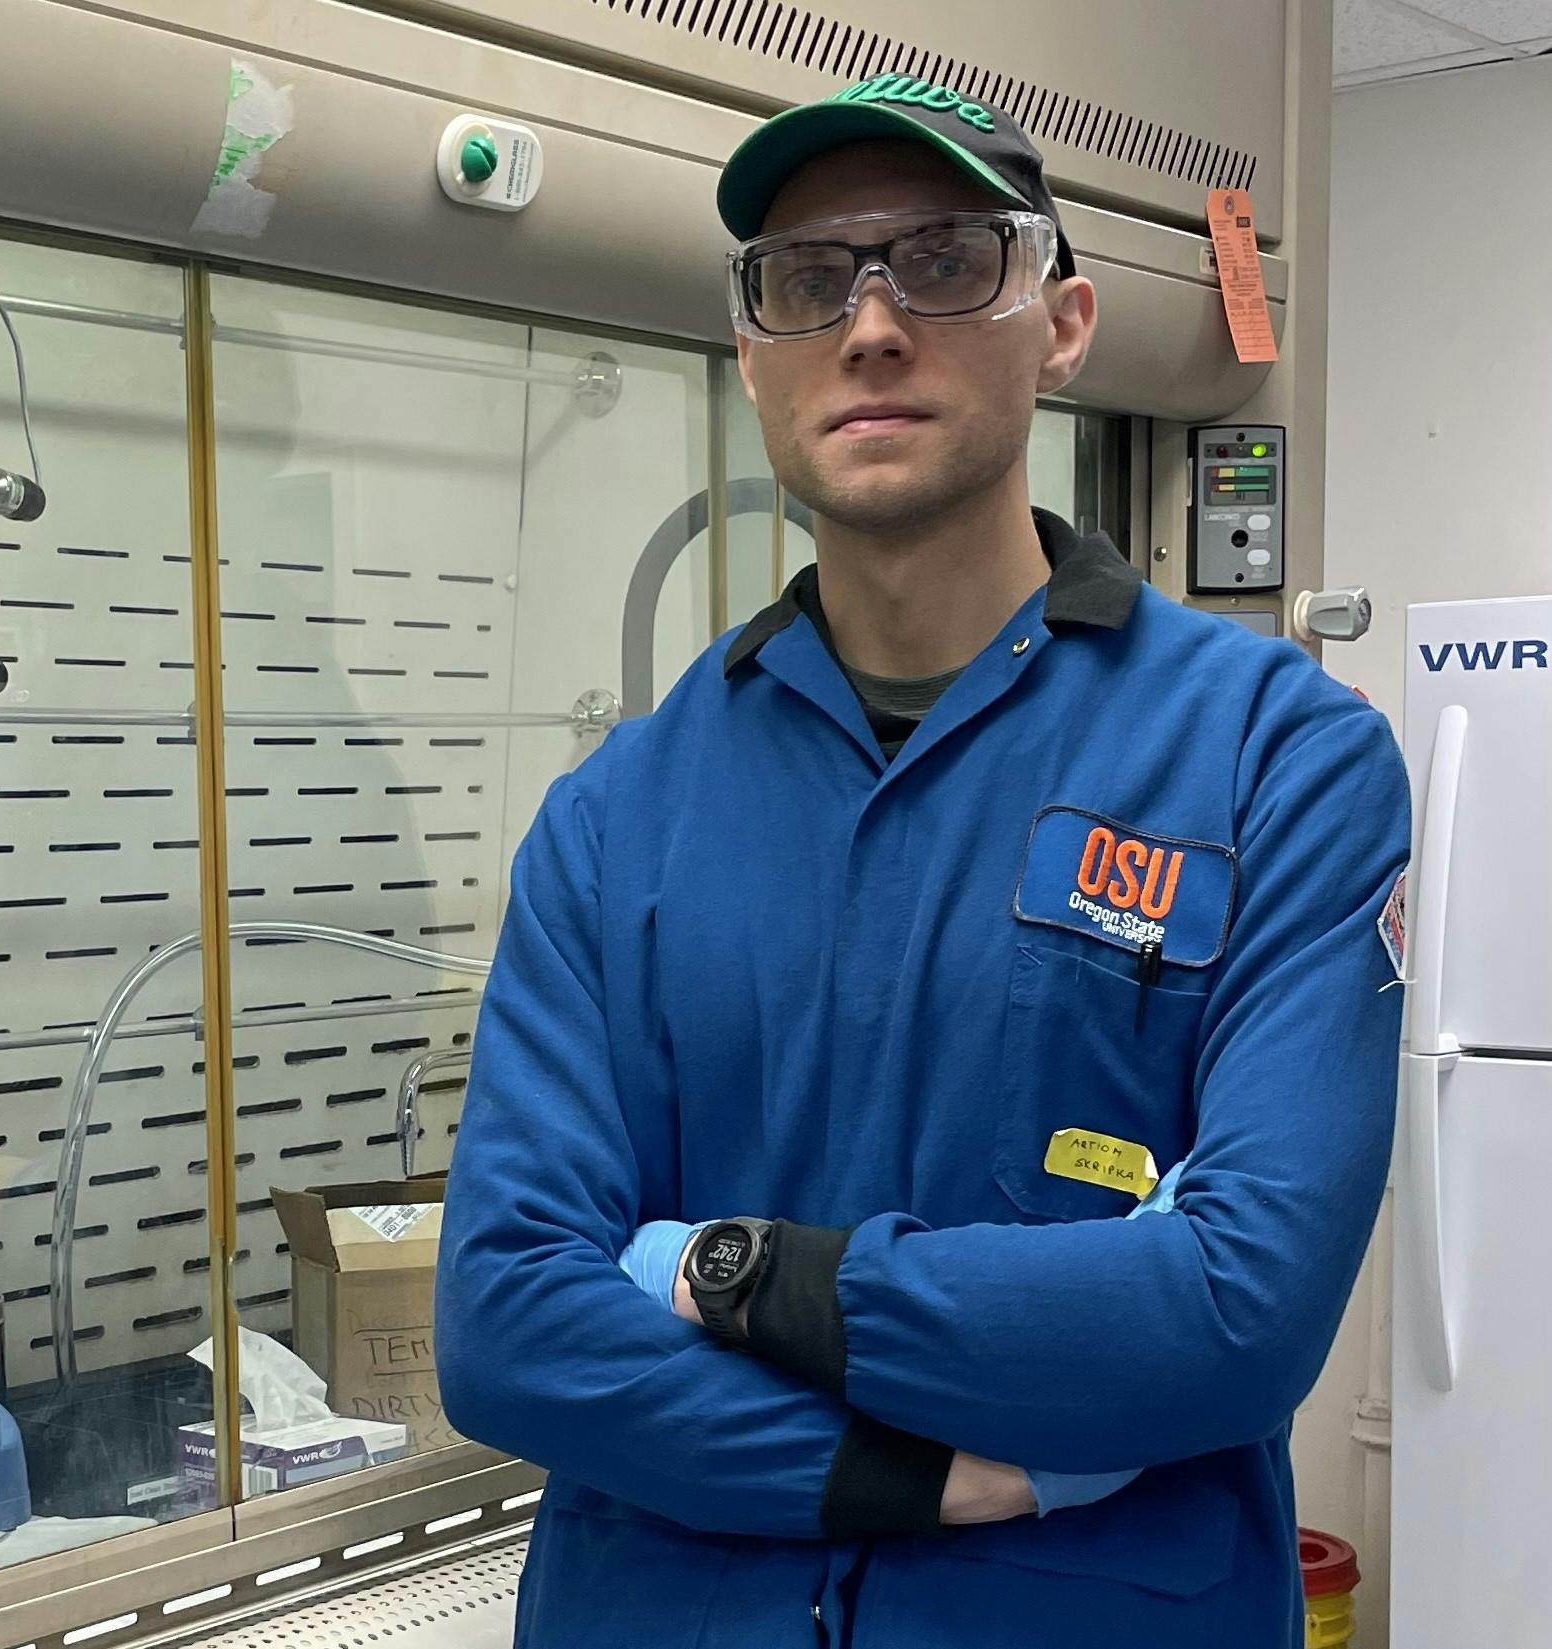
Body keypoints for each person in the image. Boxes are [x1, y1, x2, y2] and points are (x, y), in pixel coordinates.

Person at [434, 73, 1410, 1649]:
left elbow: (1238, 1309)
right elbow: (505, 1328)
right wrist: (919, 1468)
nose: (871, 326)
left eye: (947, 260)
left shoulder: (1275, 760)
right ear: (754, 356)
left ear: (1066, 320)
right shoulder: (616, 815)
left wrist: (742, 1275)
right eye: (808, 282)